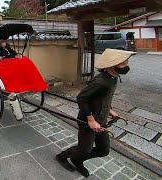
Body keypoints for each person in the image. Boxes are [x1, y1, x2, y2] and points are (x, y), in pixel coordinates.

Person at [55, 49, 136, 177]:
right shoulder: (100, 82)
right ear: (111, 66)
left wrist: (109, 110)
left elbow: (102, 98)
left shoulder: (113, 77)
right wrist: (91, 120)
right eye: (123, 64)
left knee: (103, 150)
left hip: (101, 120)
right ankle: (62, 157)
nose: (127, 66)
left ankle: (78, 159)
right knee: (84, 149)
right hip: (88, 121)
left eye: (126, 62)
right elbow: (81, 98)